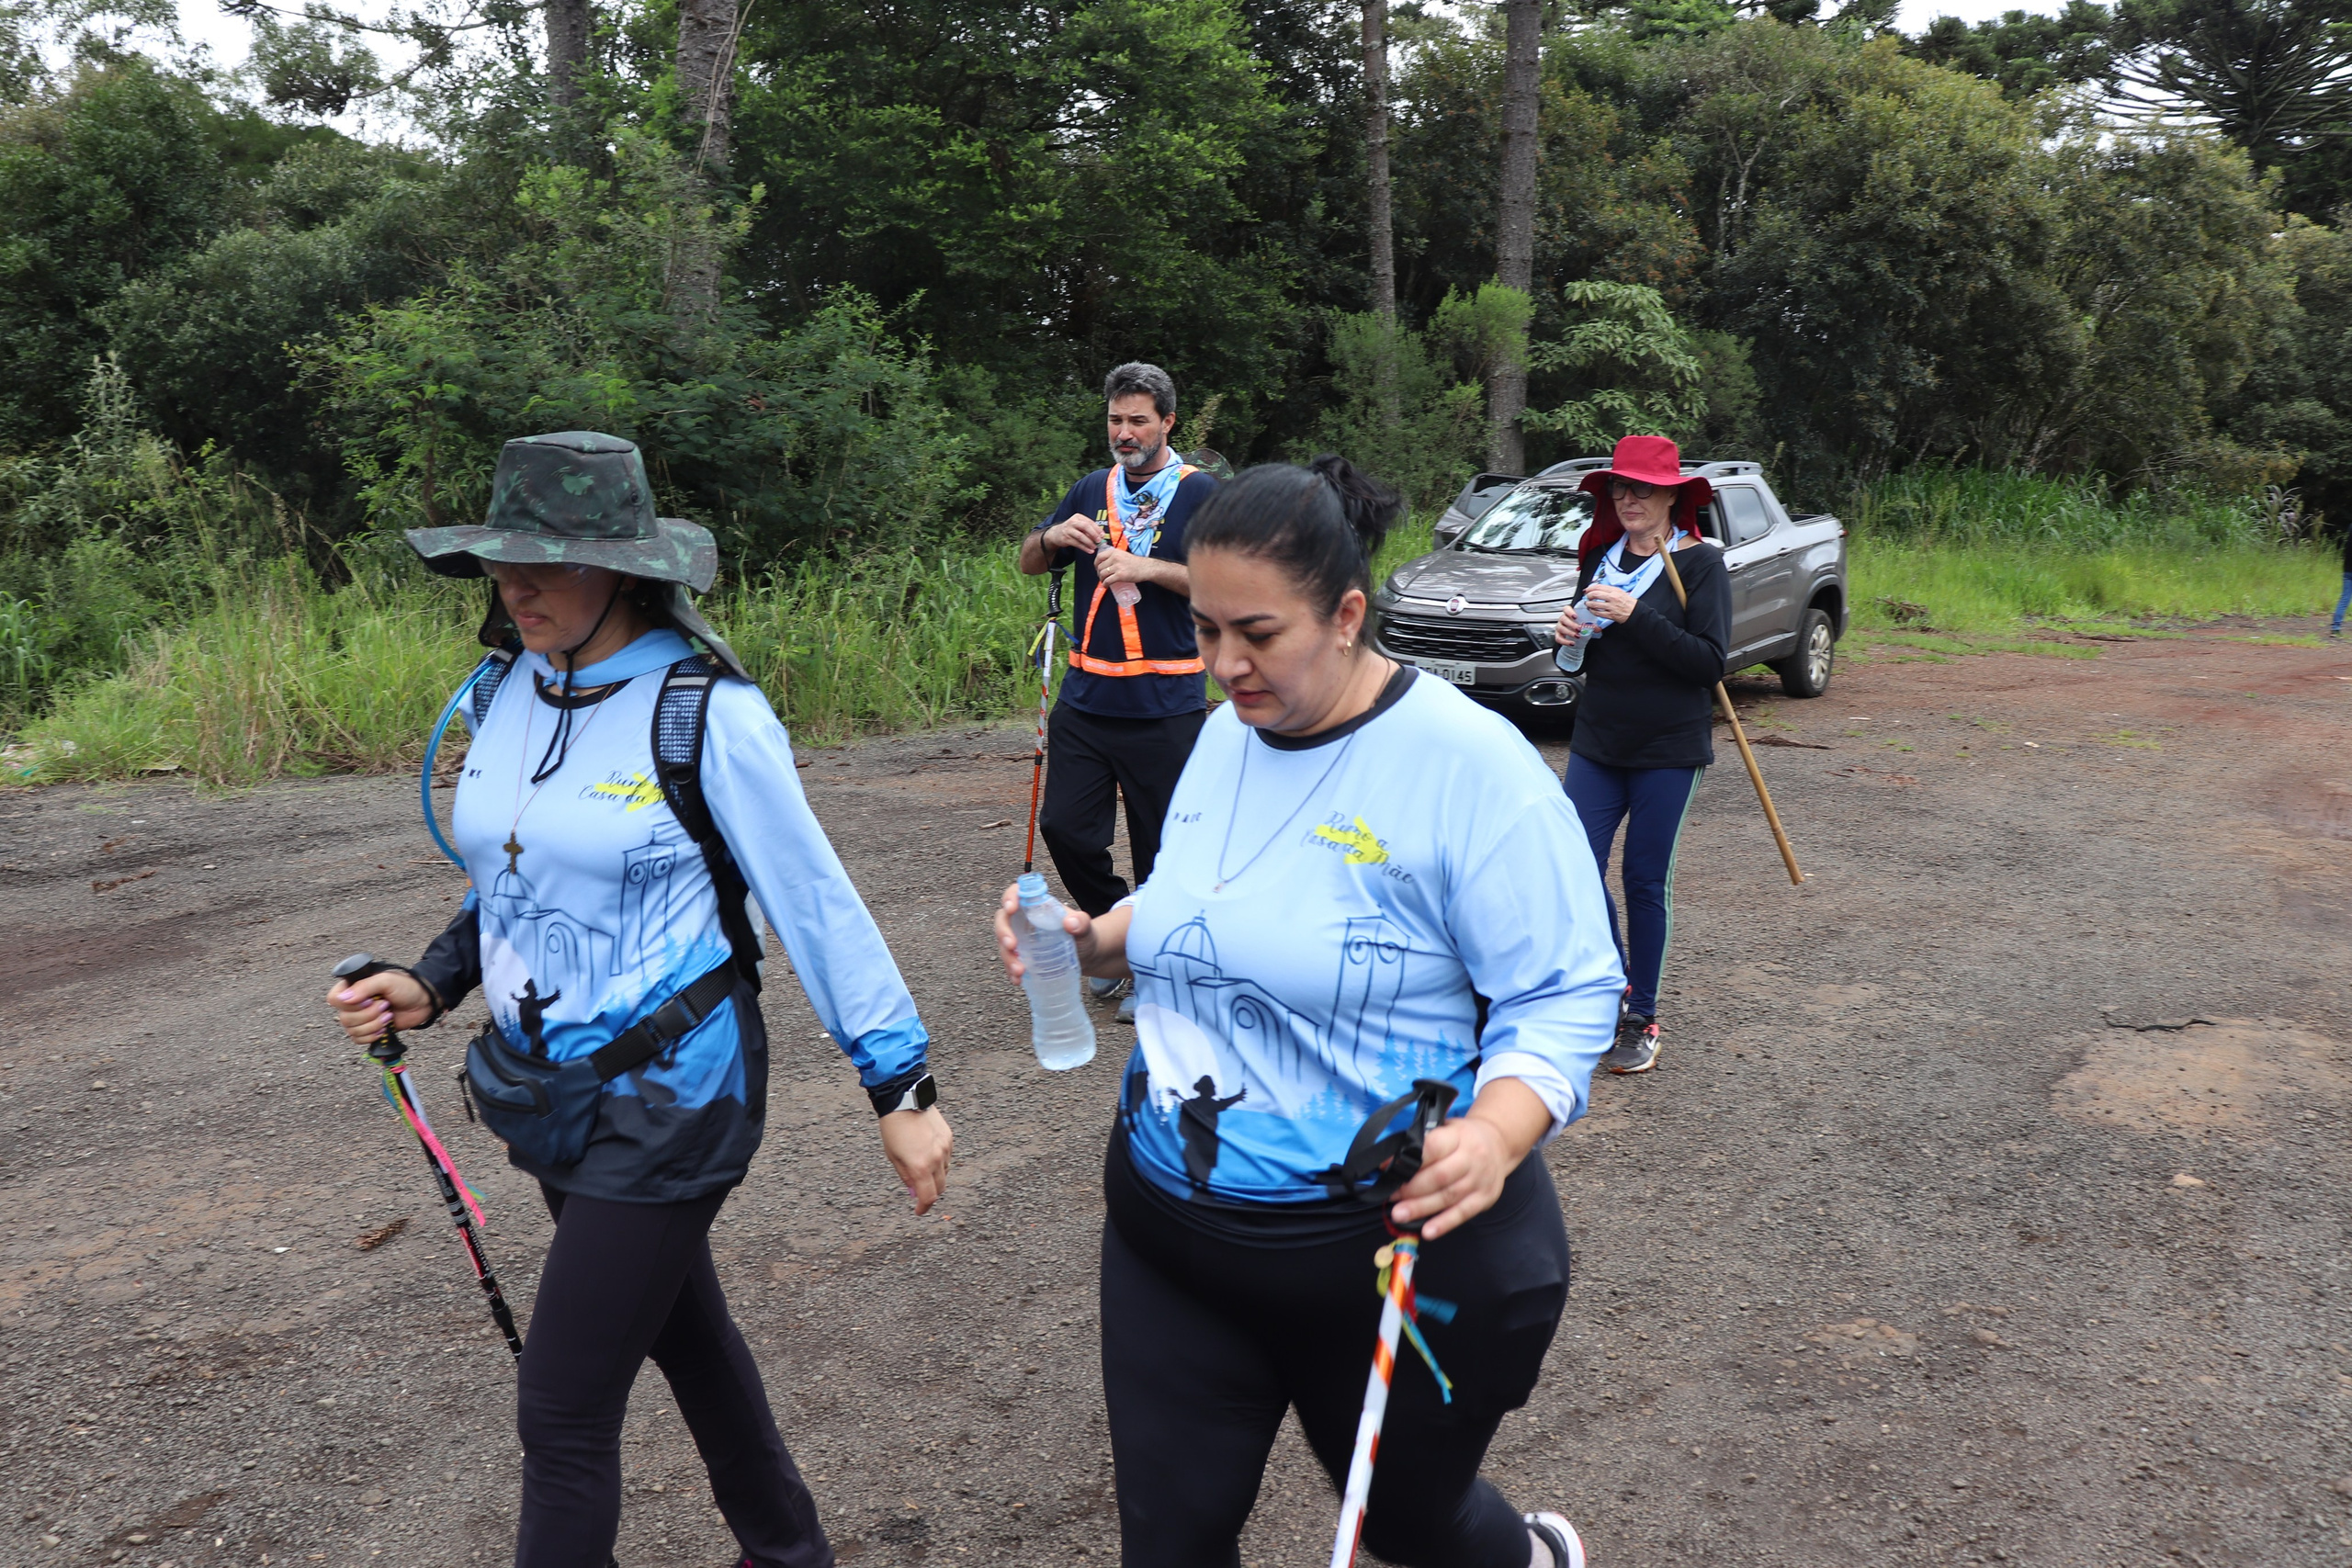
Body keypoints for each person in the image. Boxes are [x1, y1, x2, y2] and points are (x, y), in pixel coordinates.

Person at [324, 431, 953, 1568]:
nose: (515, 588)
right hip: (549, 1093)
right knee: (687, 1338)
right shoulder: (504, 688)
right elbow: (513, 877)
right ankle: (789, 1550)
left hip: (672, 1097)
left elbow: (812, 899)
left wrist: (898, 1081)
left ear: (622, 565)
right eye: (501, 564)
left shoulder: (705, 709)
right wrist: (431, 980)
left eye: (547, 565)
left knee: (561, 1411)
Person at [994, 457, 1620, 1568]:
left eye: (1257, 633)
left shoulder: (1470, 769)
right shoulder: (1232, 726)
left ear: (1345, 615)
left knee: (1408, 1528)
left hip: (1386, 1253)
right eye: (1205, 626)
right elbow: (1192, 896)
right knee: (1170, 1542)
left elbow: (1566, 994)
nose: (1222, 664)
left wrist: (1496, 1132)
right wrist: (1090, 938)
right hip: (1171, 1225)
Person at [1019, 362, 1220, 1019]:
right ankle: (1119, 943)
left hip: (1168, 703)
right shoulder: (1090, 487)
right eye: (1115, 419)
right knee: (1065, 828)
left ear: (1168, 422)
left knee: (1164, 847)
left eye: (1138, 420)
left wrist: (1149, 568)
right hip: (1088, 696)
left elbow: (1231, 582)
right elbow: (1028, 558)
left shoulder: (1201, 493)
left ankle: (1160, 971)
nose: (1125, 432)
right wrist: (1052, 536)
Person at [1549, 434, 1732, 1076]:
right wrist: (1566, 638)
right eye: (1619, 488)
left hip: (1668, 747)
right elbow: (1578, 657)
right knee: (1574, 868)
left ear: (1671, 497)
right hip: (1599, 740)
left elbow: (1709, 662)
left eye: (1642, 488)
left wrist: (1634, 614)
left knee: (1644, 880)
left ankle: (1641, 1015)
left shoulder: (1701, 565)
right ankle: (1614, 983)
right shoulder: (1600, 556)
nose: (1628, 498)